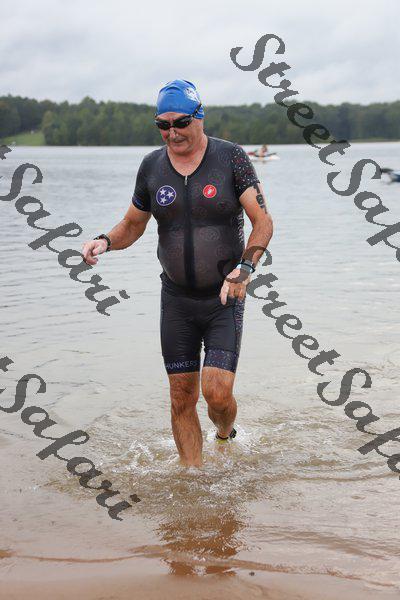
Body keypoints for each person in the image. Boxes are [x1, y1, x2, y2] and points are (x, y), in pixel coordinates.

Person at [82, 79, 273, 467]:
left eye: (181, 122)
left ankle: (225, 432)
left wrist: (245, 268)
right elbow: (133, 224)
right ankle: (193, 479)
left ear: (199, 117)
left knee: (217, 394)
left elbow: (263, 221)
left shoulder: (231, 158)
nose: (172, 132)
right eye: (163, 125)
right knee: (181, 395)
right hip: (176, 301)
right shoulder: (152, 166)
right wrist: (105, 240)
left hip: (223, 297)